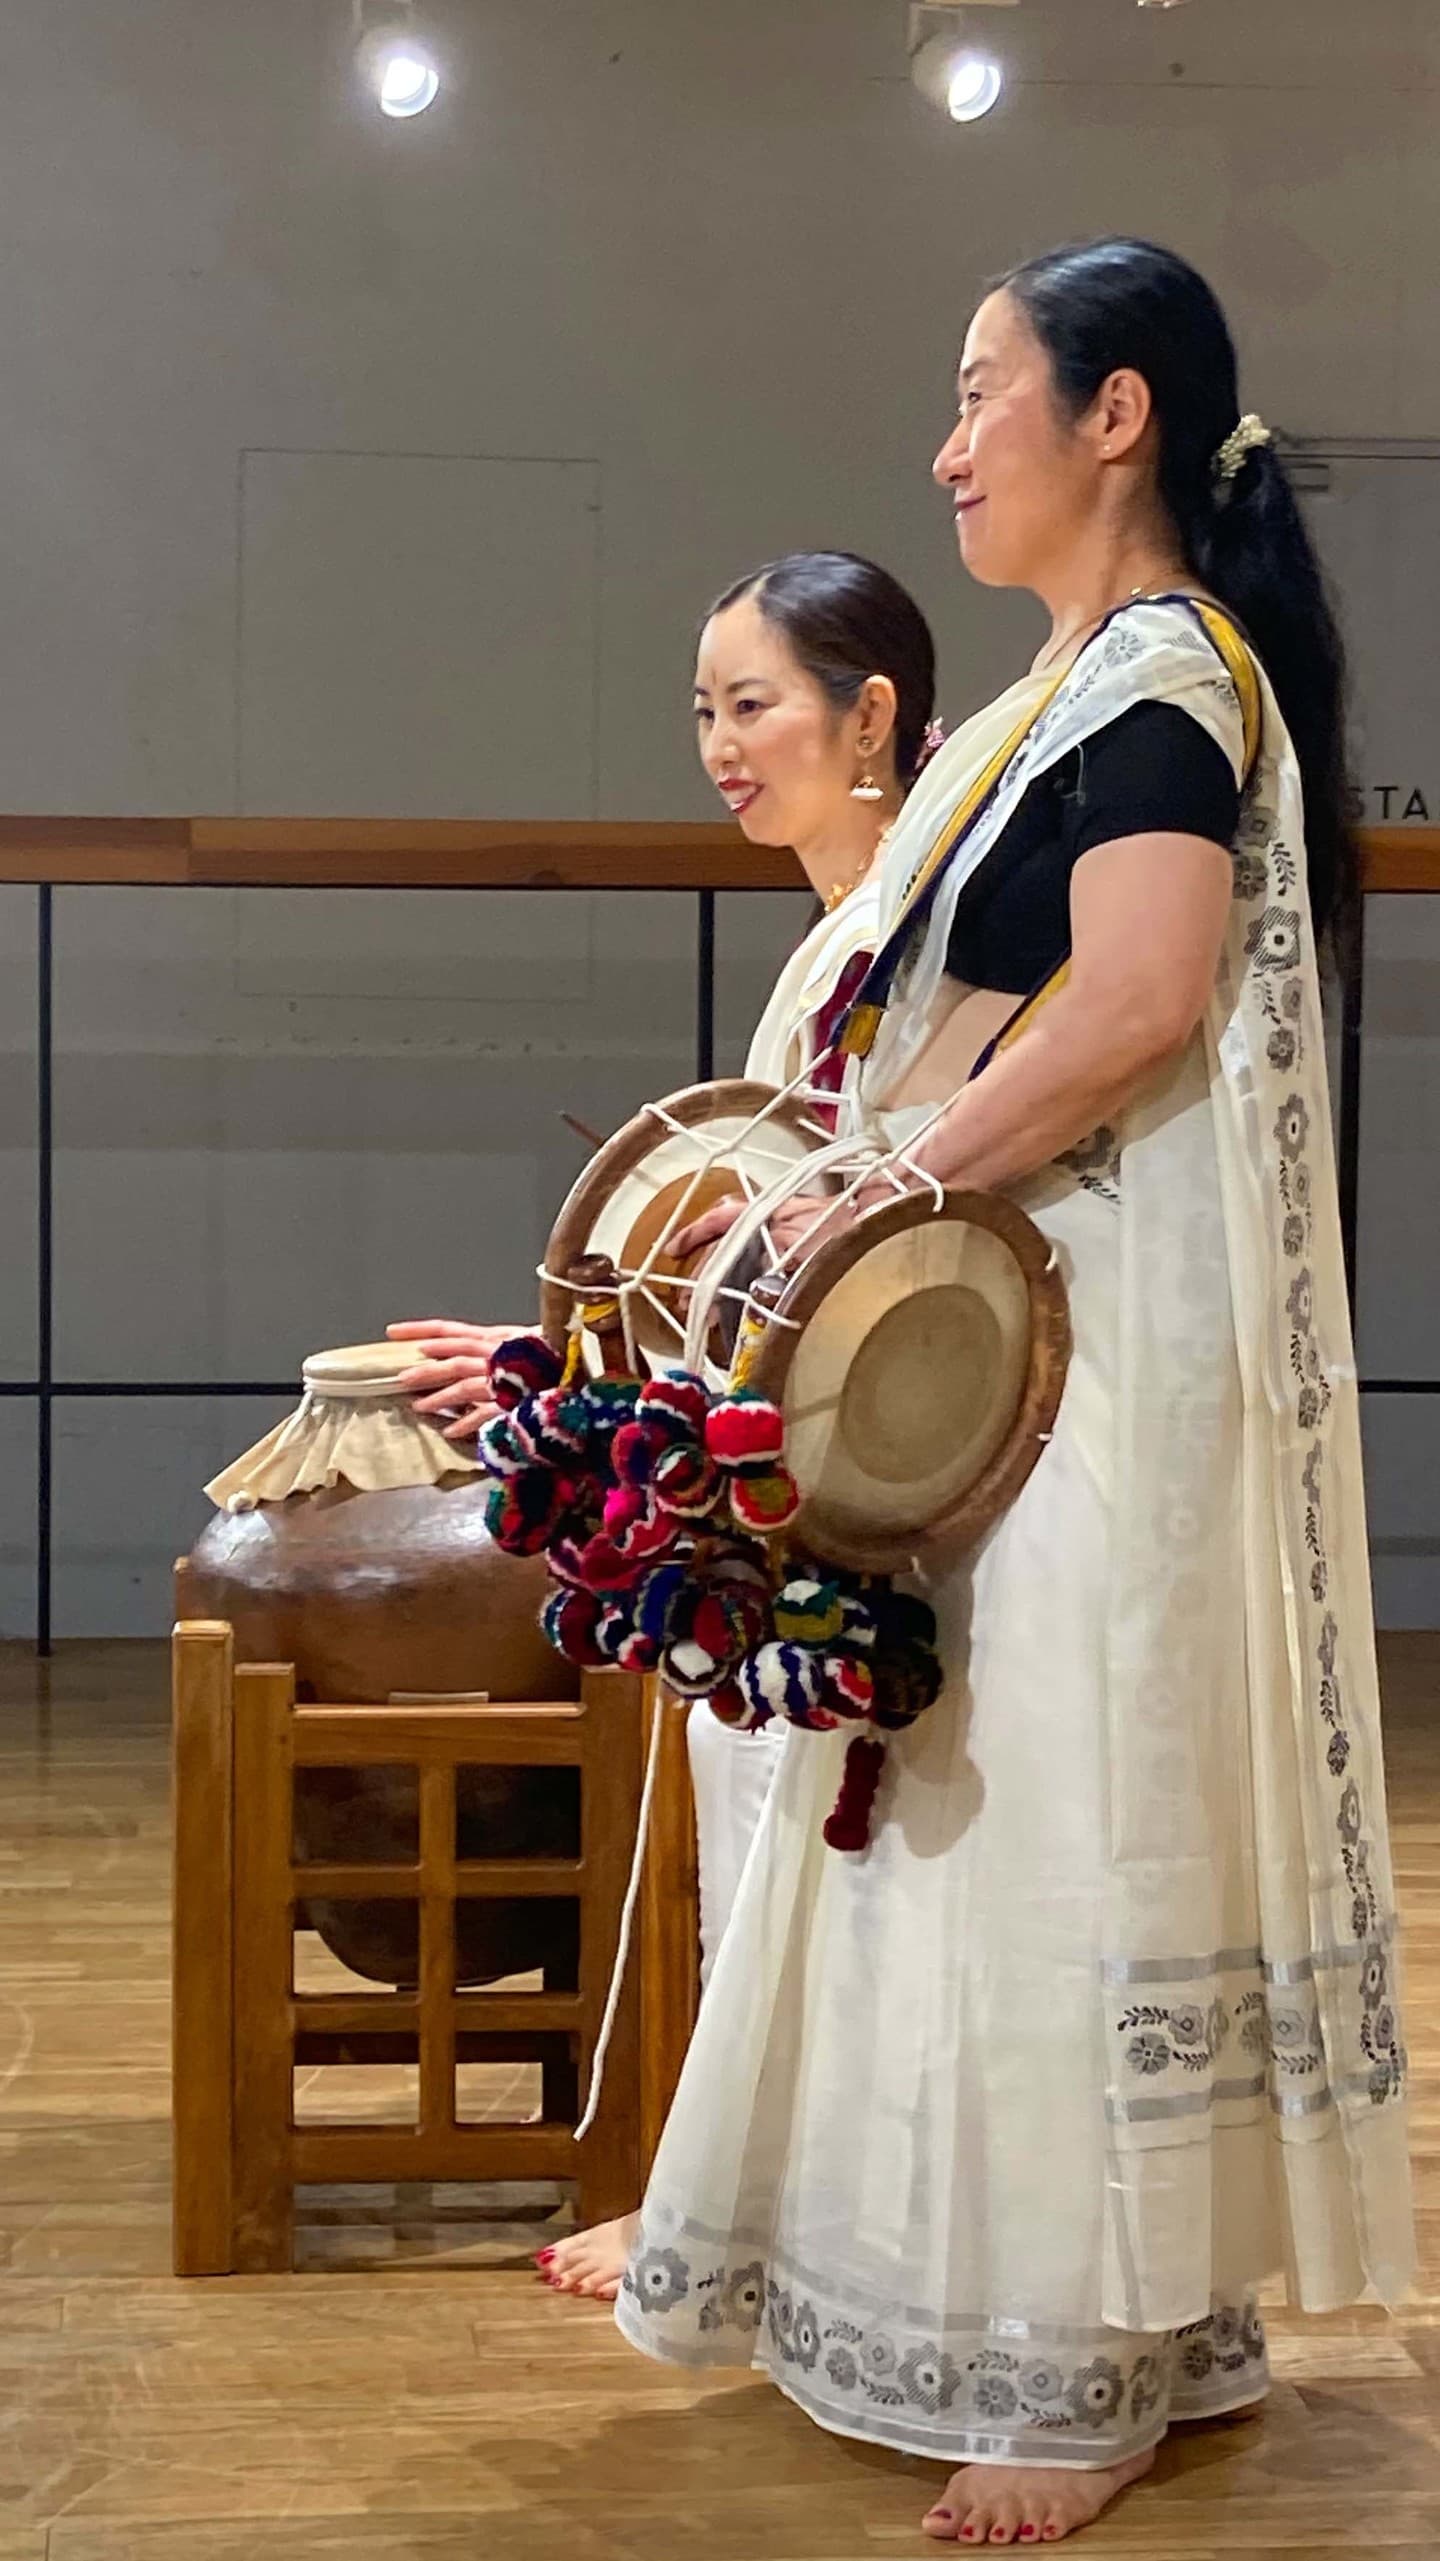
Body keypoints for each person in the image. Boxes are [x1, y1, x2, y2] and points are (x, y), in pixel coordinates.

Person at [613, 240, 1415, 2548]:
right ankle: (1128, 2320)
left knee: (1066, 1819)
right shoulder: (1065, 693)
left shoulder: (1164, 683)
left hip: (1098, 1348)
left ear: (1119, 414)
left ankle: (1079, 2373)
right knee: (984, 1812)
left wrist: (872, 1188)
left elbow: (1143, 991)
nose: (950, 444)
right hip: (1021, 1335)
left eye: (984, 396)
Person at [387, 549, 940, 2296]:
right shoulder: (832, 943)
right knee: (750, 1812)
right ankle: (730, 2195)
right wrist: (571, 1369)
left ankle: (797, 2218)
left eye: (752, 701)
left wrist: (616, 1378)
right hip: (773, 1437)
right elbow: (744, 1244)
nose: (717, 740)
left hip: (879, 1455)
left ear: (872, 716)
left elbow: (887, 1237)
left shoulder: (926, 931)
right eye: (703, 707)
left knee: (830, 1828)